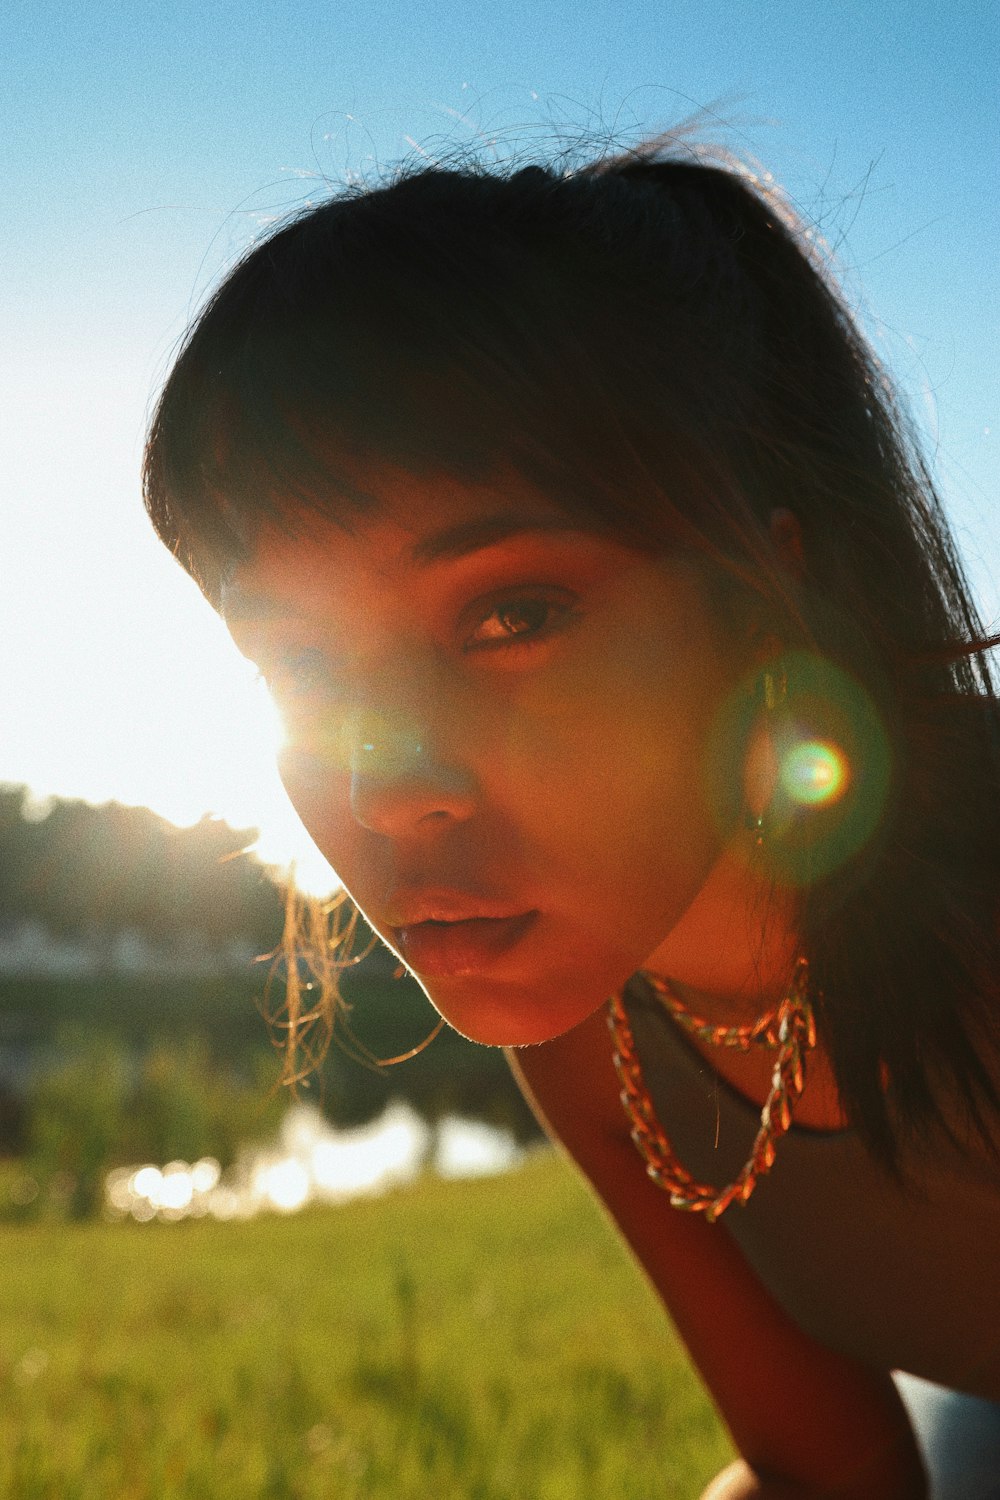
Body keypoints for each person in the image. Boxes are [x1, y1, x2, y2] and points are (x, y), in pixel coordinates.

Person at [142, 135, 1000, 1498]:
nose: (386, 784)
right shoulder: (595, 1042)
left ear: (763, 596)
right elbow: (827, 1473)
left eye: (510, 615)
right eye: (301, 664)